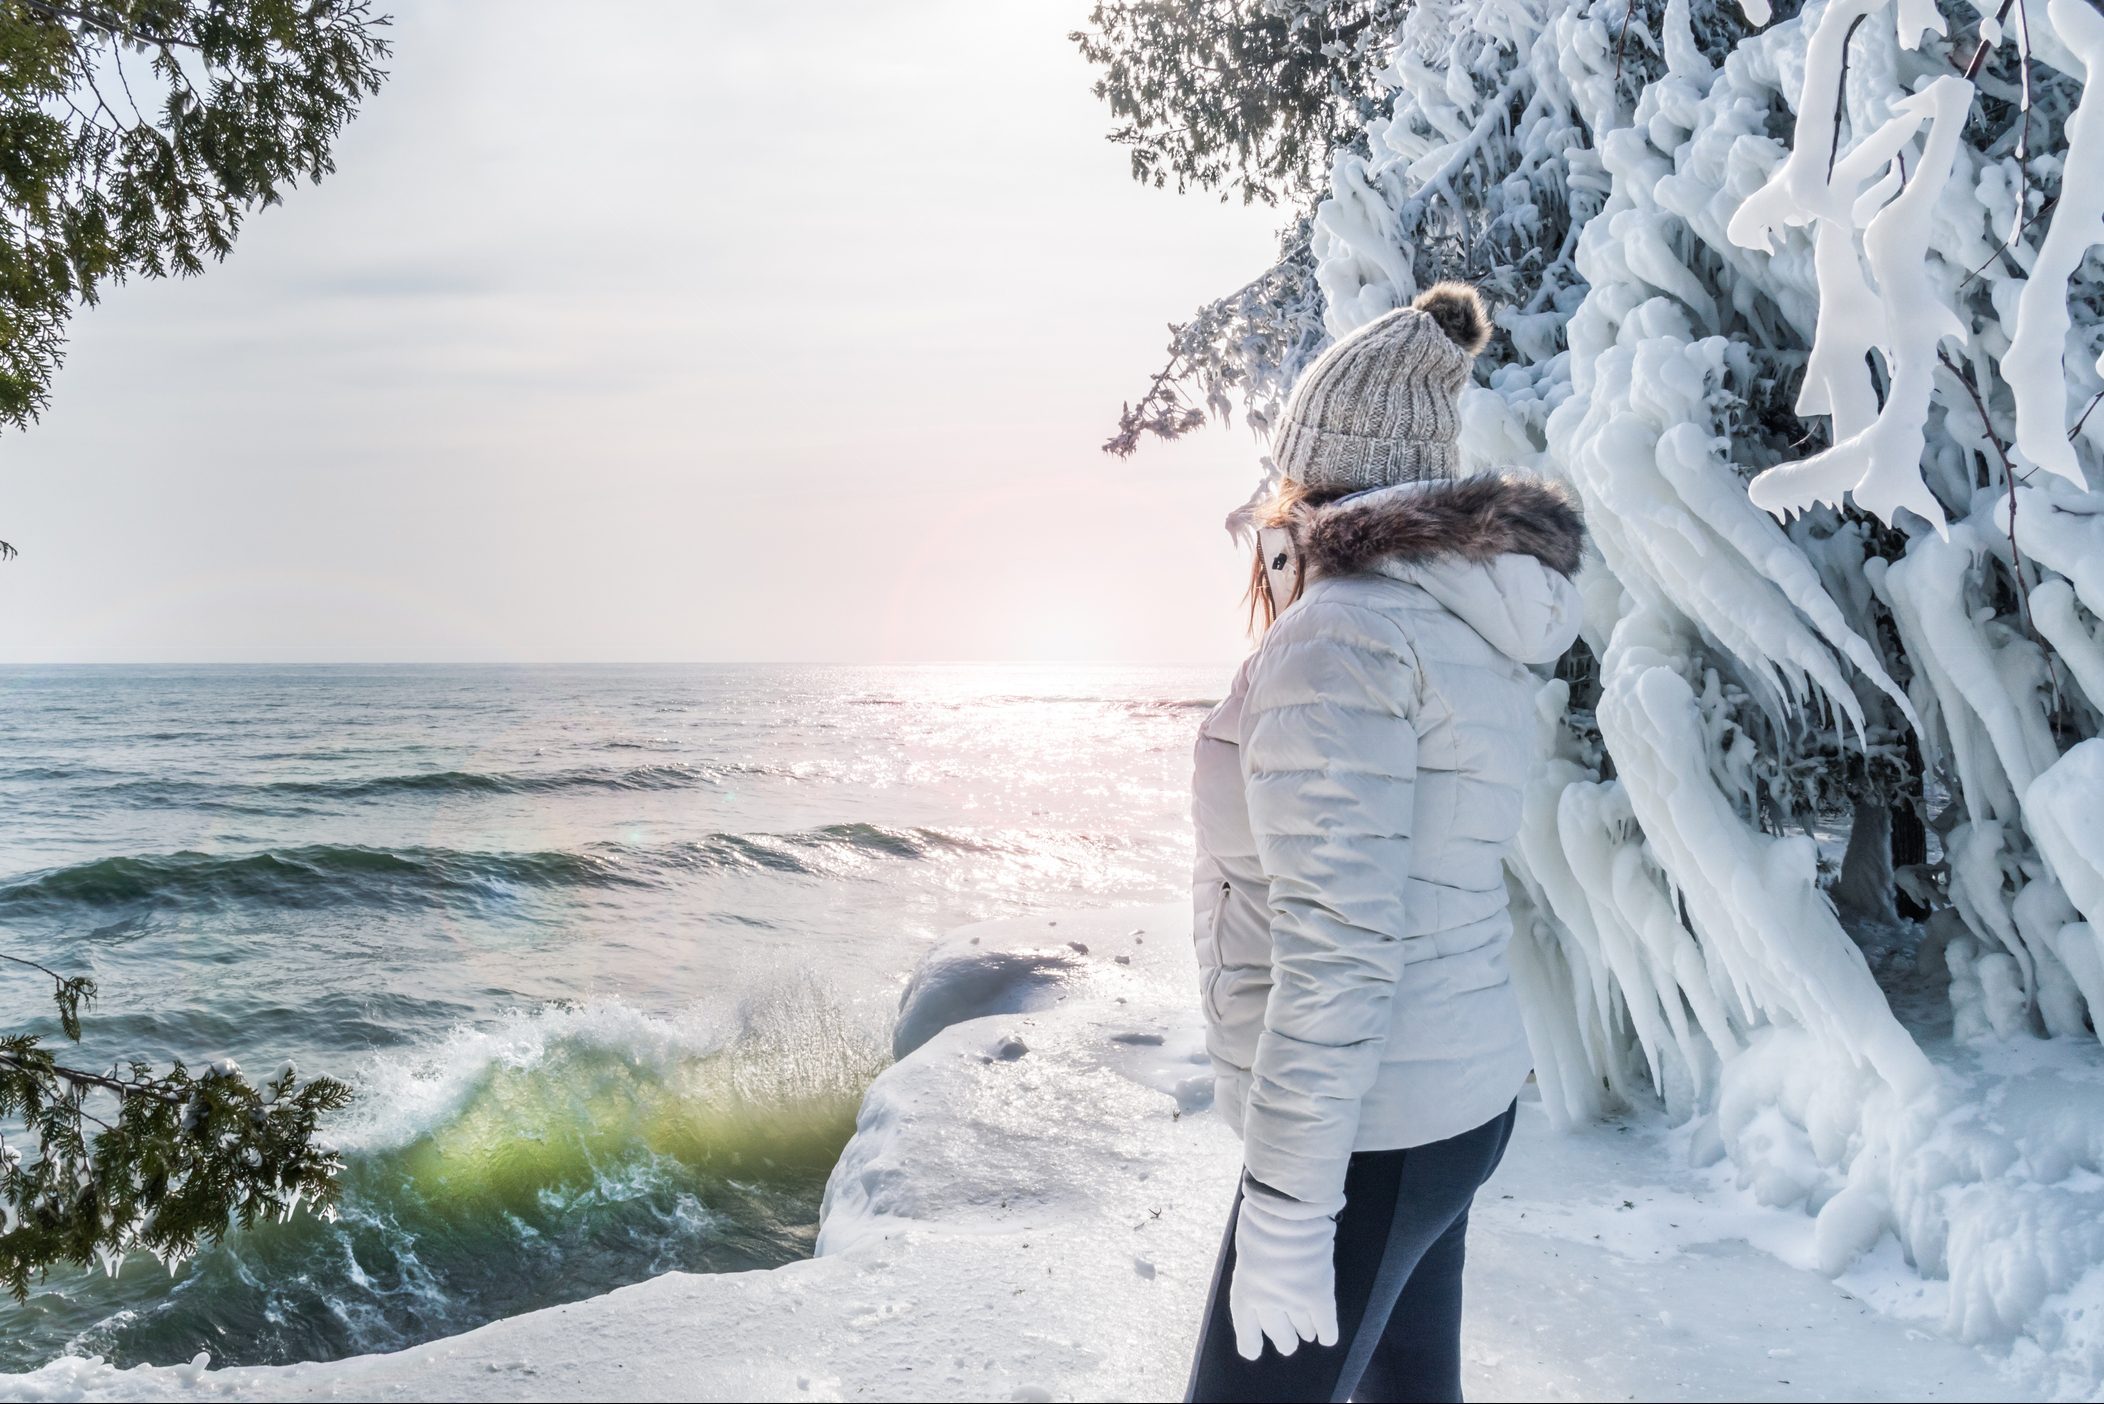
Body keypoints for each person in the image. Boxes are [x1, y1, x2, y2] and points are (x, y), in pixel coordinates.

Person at [1186, 282, 1586, 1403]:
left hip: (1368, 1135)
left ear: (1317, 477)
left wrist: (1287, 1211)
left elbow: (1340, 944)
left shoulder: (1341, 640)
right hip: (1448, 1103)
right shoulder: (1450, 617)